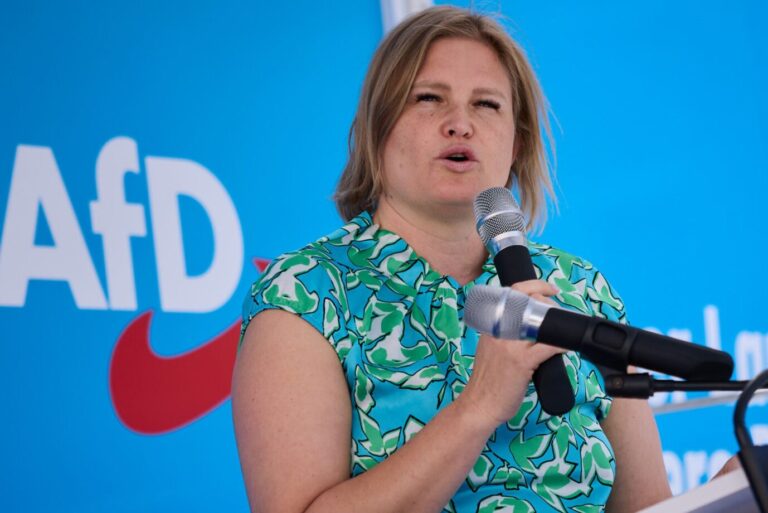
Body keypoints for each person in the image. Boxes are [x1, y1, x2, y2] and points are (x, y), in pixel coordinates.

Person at [232, 6, 674, 512]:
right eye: (428, 99)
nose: (460, 124)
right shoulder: (305, 296)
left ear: (517, 142)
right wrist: (479, 405)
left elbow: (647, 506)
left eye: (486, 105)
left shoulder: (578, 287)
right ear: (378, 128)